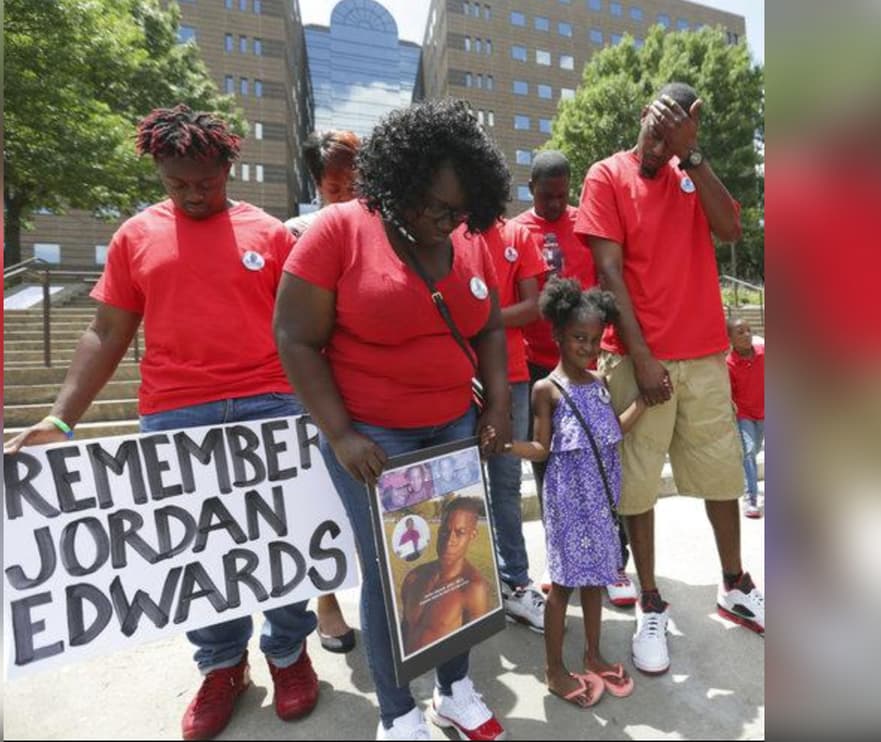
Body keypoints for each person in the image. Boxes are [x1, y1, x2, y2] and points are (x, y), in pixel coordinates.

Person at [2, 105, 319, 741]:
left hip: (272, 406)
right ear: (159, 171)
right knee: (198, 552)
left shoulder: (273, 234)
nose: (194, 194)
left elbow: (308, 330)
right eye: (178, 184)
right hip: (177, 411)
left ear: (229, 165)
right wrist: (61, 419)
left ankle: (288, 652)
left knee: (282, 542)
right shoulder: (134, 236)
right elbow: (105, 329)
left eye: (206, 181)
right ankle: (222, 665)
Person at [274, 98, 511, 741]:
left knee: (461, 563)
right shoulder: (340, 230)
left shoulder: (468, 239)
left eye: (459, 210)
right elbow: (294, 338)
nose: (445, 220)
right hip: (374, 438)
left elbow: (489, 326)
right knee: (393, 573)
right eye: (433, 205)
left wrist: (497, 403)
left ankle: (455, 687)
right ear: (399, 181)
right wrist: (341, 433)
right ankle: (396, 712)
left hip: (453, 429)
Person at [577, 82, 766, 675]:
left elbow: (731, 229)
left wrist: (696, 156)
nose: (659, 144)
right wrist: (643, 356)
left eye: (673, 133)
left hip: (705, 355)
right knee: (637, 482)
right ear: (641, 118)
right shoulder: (607, 176)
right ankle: (651, 600)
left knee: (720, 476)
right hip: (638, 358)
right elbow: (608, 271)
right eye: (654, 130)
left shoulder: (691, 174)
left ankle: (734, 584)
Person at [505, 278, 644, 707]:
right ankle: (552, 669)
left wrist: (644, 401)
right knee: (563, 586)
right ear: (558, 336)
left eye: (594, 338)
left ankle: (594, 653)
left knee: (597, 578)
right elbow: (542, 447)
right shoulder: (547, 389)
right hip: (567, 503)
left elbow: (610, 432)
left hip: (602, 502)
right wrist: (506, 446)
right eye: (578, 338)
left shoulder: (599, 383)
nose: (588, 346)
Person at [511, 151, 637, 609]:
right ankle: (562, 556)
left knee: (604, 460)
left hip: (588, 359)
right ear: (530, 189)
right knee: (551, 472)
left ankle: (613, 559)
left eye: (563, 195)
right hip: (539, 367)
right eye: (547, 196)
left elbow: (609, 278)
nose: (555, 204)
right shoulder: (518, 229)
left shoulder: (585, 221)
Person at [285, 129, 363, 654]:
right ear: (317, 185)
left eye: (356, 184)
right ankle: (327, 601)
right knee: (321, 503)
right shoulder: (294, 230)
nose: (349, 196)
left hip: (370, 383)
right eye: (337, 189)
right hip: (316, 387)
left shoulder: (384, 224)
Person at [481, 215, 549, 632]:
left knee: (505, 482)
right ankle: (463, 586)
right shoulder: (449, 231)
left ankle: (516, 583)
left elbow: (533, 306)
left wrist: (480, 319)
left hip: (512, 375)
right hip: (456, 377)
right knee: (457, 486)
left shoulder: (516, 234)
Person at [399, 498, 493, 655]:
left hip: (443, 673)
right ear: (438, 530)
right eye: (445, 531)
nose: (449, 541)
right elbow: (405, 628)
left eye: (460, 533)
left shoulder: (474, 589)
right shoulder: (413, 577)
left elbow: (474, 648)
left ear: (473, 534)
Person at [286, 129, 362, 238]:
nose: (346, 197)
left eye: (353, 188)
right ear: (318, 185)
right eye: (334, 190)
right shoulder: (297, 232)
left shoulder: (382, 231)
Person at [726, 317, 766, 518]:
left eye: (749, 330)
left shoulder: (764, 354)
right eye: (740, 332)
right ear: (730, 338)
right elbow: (729, 394)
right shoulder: (729, 364)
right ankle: (751, 498)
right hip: (745, 415)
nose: (747, 335)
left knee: (754, 450)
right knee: (749, 452)